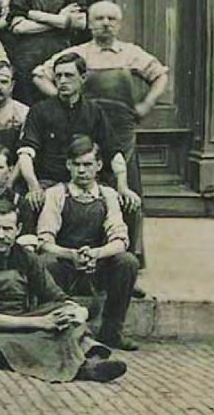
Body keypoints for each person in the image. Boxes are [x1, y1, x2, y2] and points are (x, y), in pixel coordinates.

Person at [34, 0, 168, 265]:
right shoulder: (77, 53)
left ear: (119, 24)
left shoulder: (132, 54)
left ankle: (129, 257)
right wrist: (62, 100)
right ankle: (84, 253)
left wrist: (147, 104)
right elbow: (39, 75)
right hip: (87, 129)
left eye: (111, 19)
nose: (105, 24)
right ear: (89, 23)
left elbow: (161, 75)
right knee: (86, 190)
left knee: (127, 192)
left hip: (121, 130)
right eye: (99, 19)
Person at [0, 199, 127, 383]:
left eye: (7, 229)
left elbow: (55, 294)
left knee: (64, 316)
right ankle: (85, 368)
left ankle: (92, 354)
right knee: (21, 344)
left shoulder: (27, 257)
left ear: (18, 229)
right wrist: (41, 322)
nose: (1, 235)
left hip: (25, 317)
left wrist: (76, 311)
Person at [36, 136, 141, 351]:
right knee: (44, 263)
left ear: (99, 165)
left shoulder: (108, 195)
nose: (82, 170)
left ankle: (112, 332)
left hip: (97, 265)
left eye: (87, 164)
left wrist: (96, 253)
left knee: (127, 262)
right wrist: (70, 254)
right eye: (76, 165)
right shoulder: (56, 194)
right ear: (68, 165)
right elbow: (44, 241)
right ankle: (55, 332)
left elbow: (120, 240)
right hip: (65, 264)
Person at [18, 52, 141, 228]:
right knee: (28, 203)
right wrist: (34, 187)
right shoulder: (40, 111)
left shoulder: (94, 112)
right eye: (58, 76)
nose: (62, 81)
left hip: (88, 182)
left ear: (83, 78)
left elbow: (114, 153)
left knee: (130, 204)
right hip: (50, 181)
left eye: (69, 75)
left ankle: (123, 246)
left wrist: (123, 187)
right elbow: (26, 153)